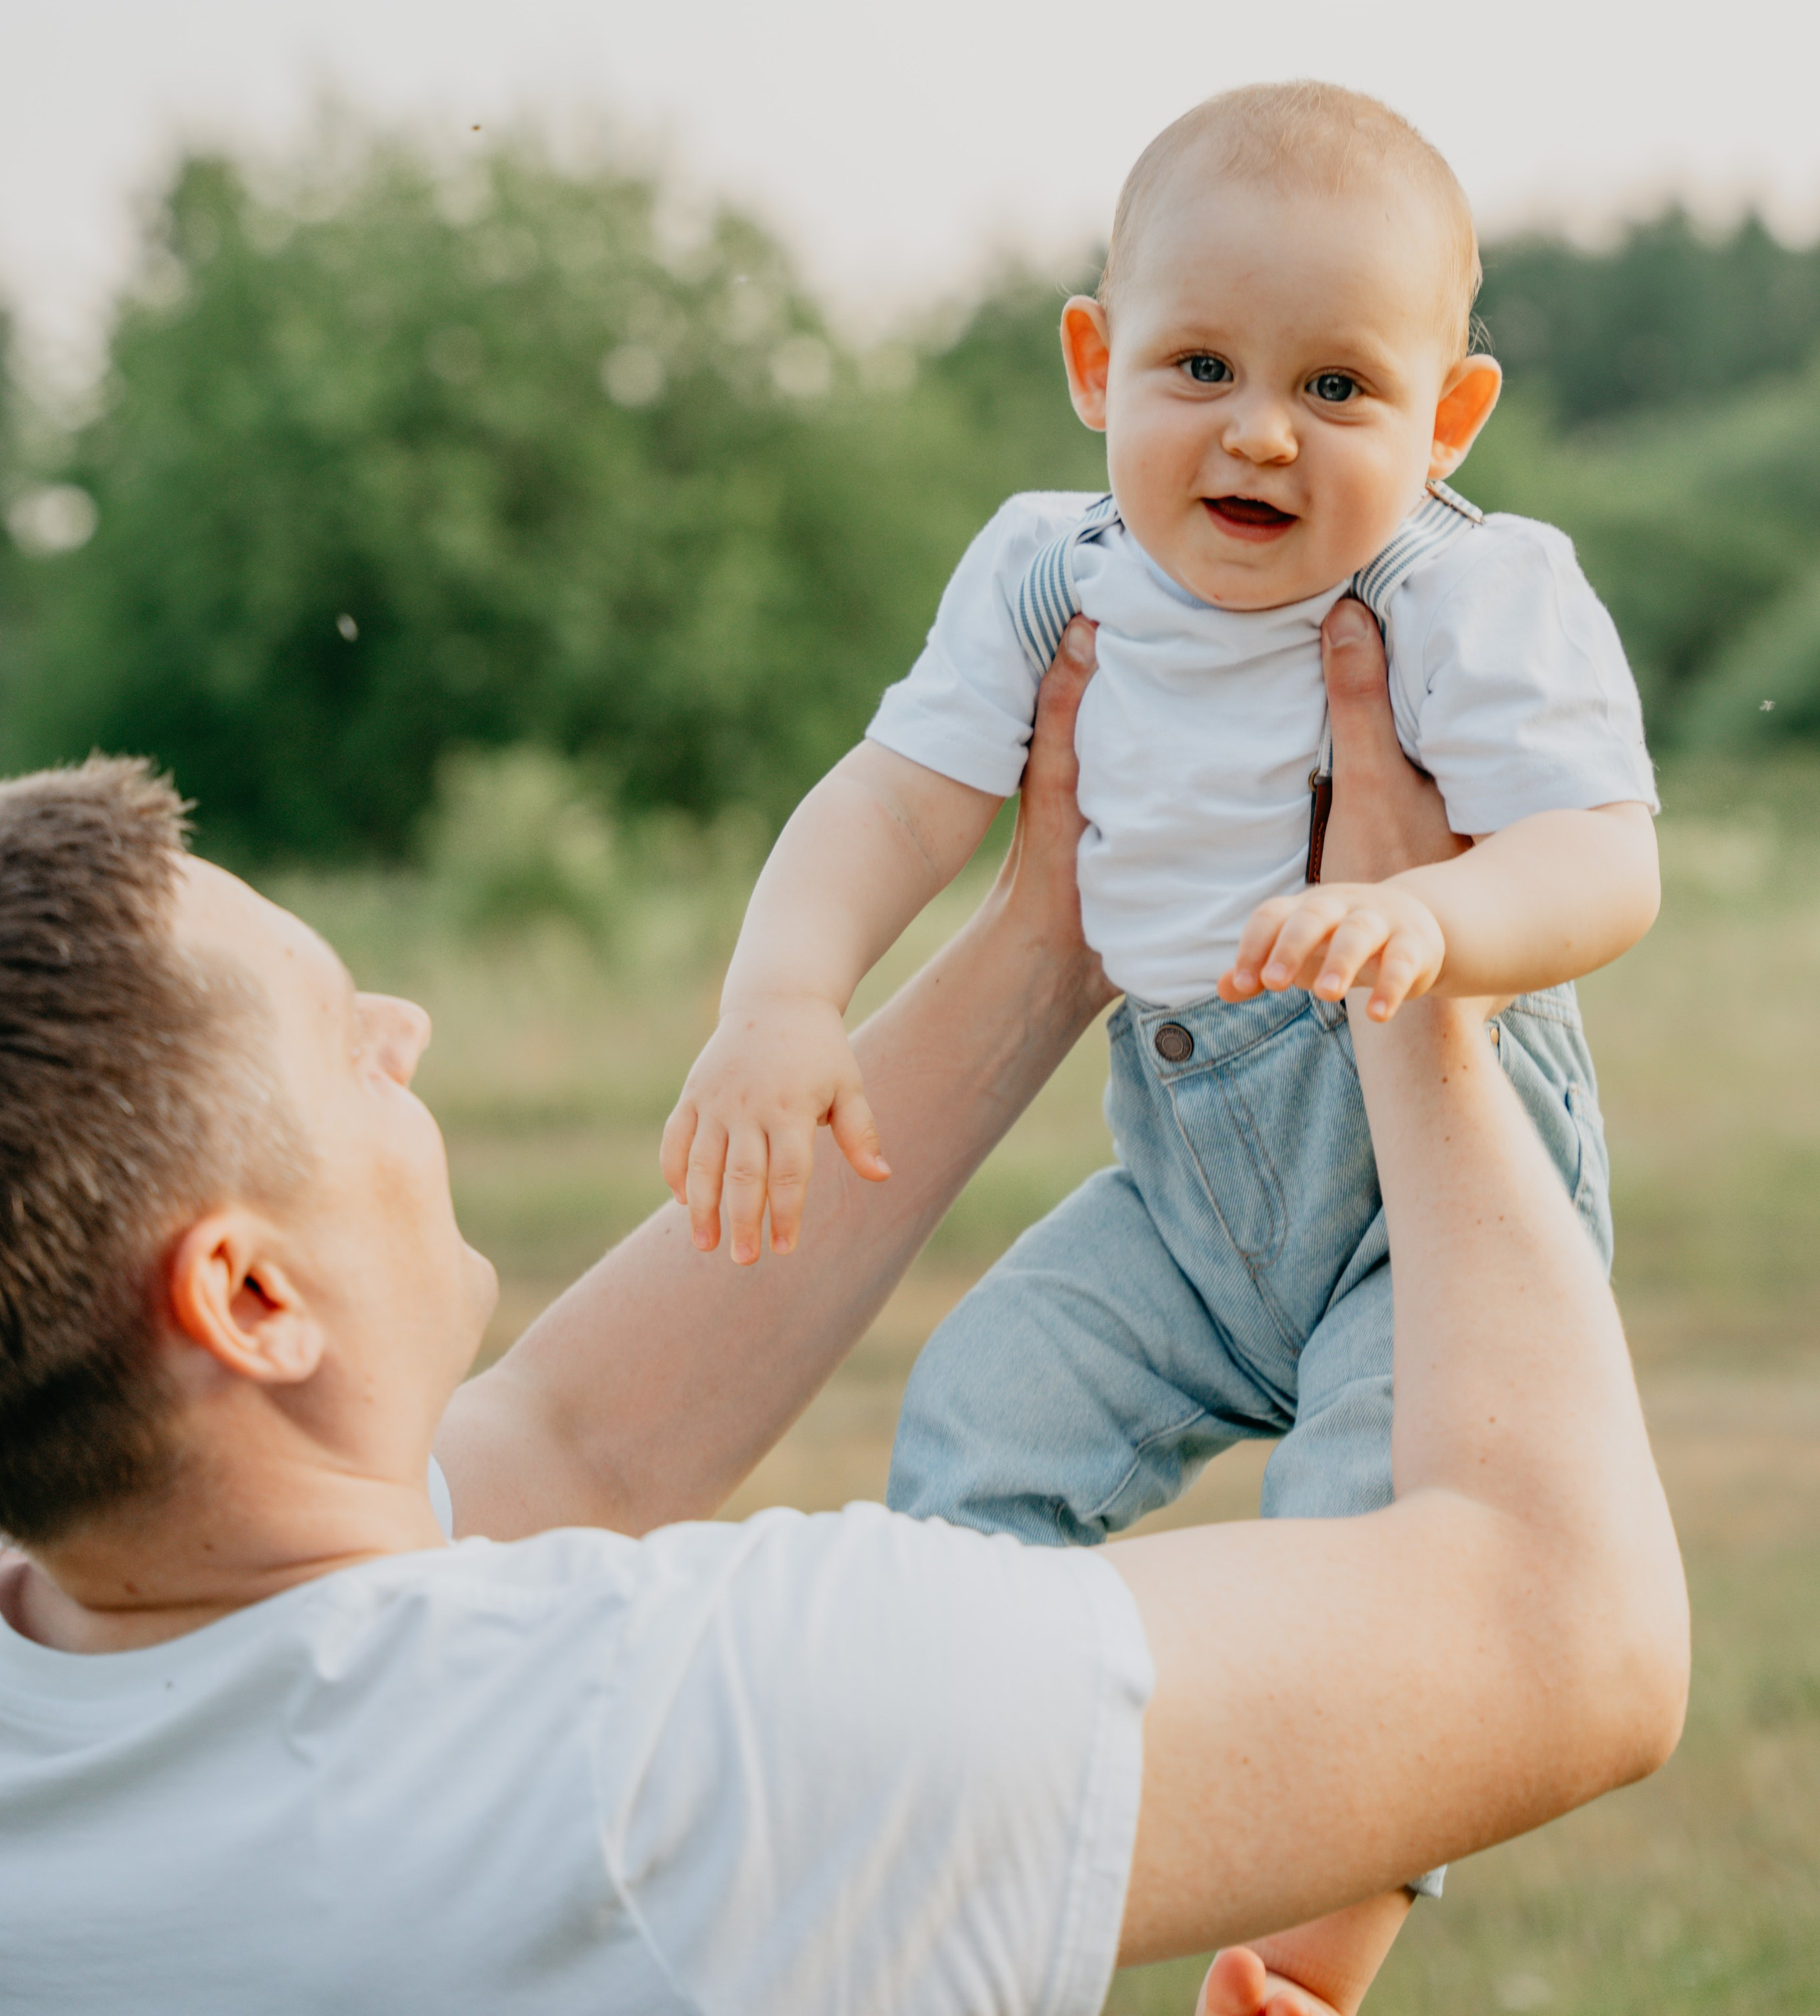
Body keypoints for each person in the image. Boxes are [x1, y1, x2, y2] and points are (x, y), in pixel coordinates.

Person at [0, 614, 1685, 2015]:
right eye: (331, 1037)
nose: (405, 1022)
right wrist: (1419, 994)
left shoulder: (64, 1678)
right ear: (250, 1296)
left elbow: (570, 1445)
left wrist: (1045, 940)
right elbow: (1566, 1639)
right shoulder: (696, 1741)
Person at [663, 82, 1664, 2005]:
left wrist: (1435, 917)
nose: (1262, 431)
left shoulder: (1462, 587)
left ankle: (1310, 1949)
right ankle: (987, 1818)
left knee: (1379, 1551)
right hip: (1186, 1173)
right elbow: (895, 794)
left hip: (1428, 1185)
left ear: (1450, 417)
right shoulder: (1051, 571)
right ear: (1093, 359)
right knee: (976, 1422)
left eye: (1342, 389)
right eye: (1199, 363)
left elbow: (1601, 863)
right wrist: (782, 995)